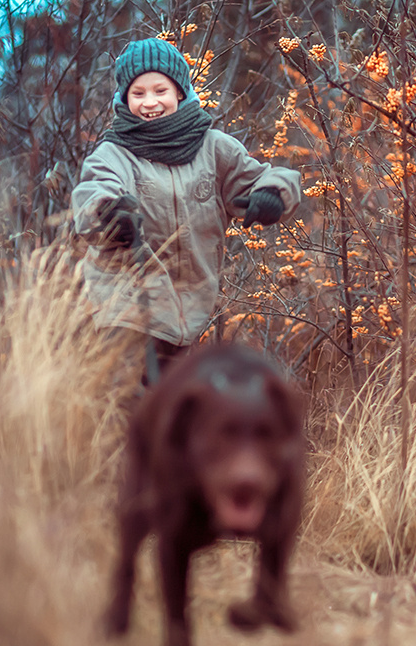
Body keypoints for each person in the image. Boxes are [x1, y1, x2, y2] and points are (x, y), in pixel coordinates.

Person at [71, 38, 301, 386]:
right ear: (124, 99)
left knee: (172, 412)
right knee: (129, 405)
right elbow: (94, 192)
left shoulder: (213, 147)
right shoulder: (114, 153)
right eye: (138, 93)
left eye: (159, 90)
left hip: (189, 309)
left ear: (180, 91)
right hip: (127, 305)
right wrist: (109, 213)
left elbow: (262, 177)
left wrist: (272, 194)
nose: (149, 102)